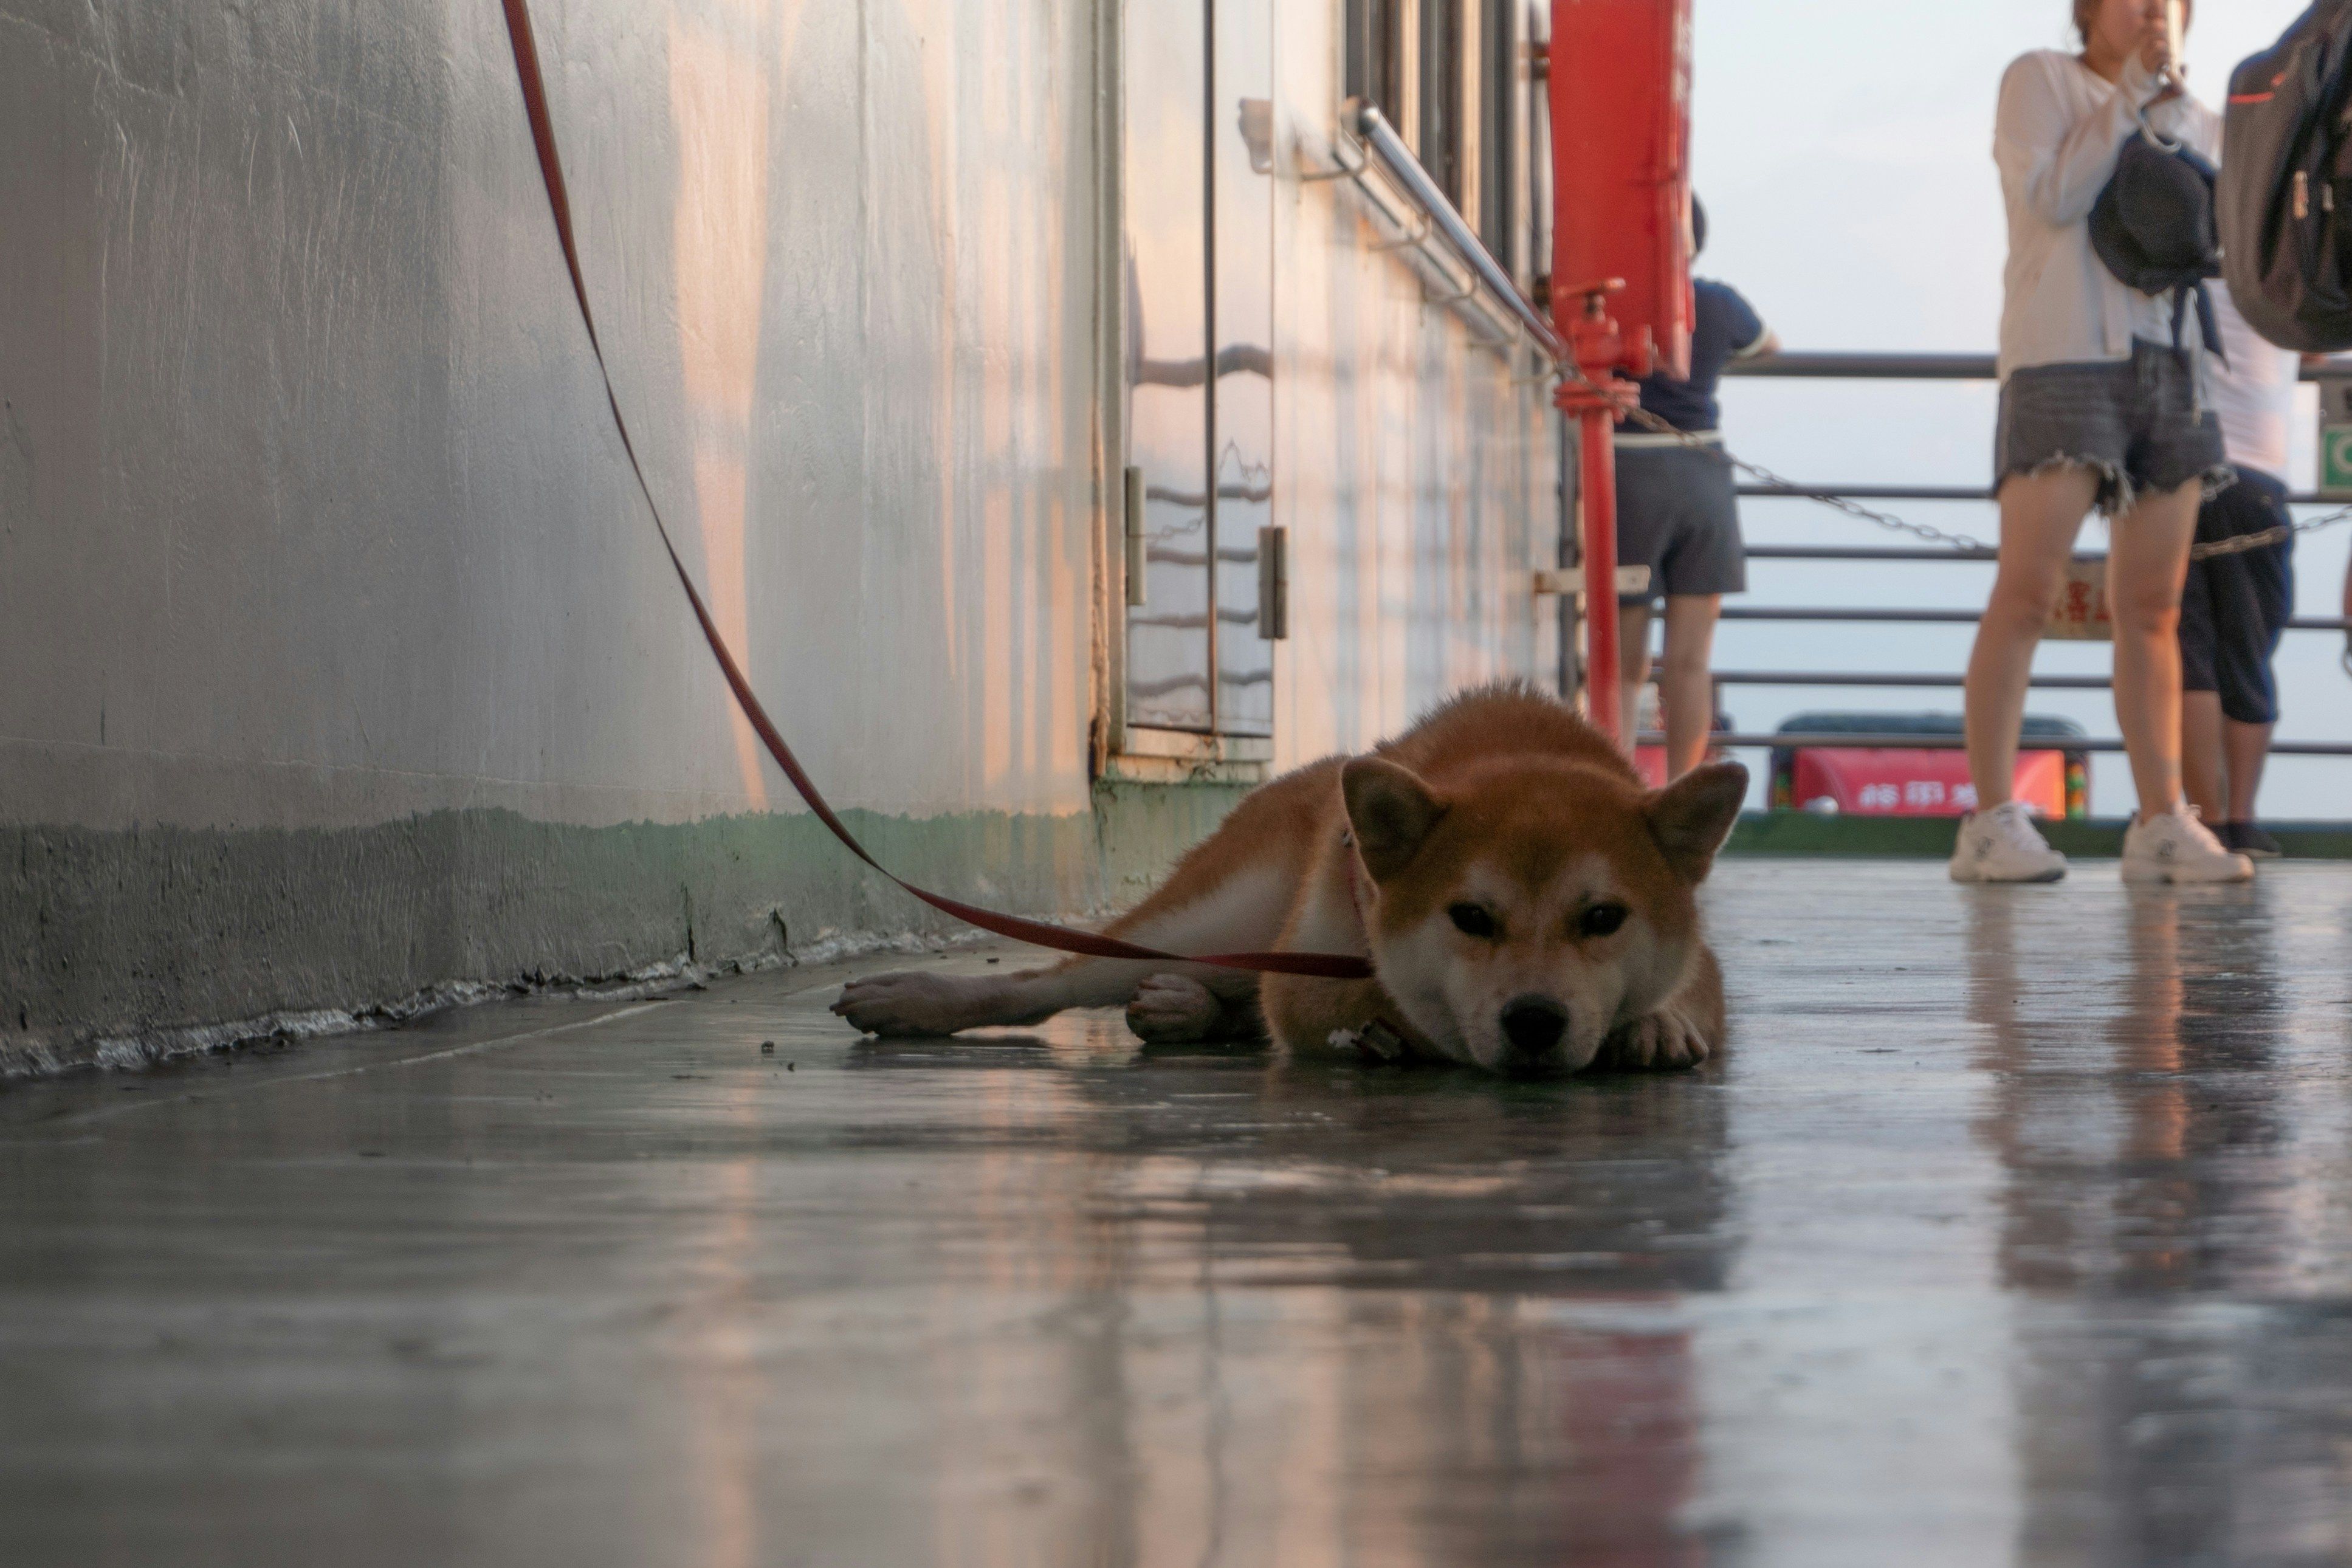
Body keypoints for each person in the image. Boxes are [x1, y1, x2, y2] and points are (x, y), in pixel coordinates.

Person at [1950, 0, 2252, 884]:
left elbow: (2218, 241)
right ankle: (1989, 818)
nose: (2150, 11)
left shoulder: (2195, 117)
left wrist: (2163, 102)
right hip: (2063, 356)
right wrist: (2124, 96)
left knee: (2154, 606)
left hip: (2172, 362)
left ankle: (2161, 819)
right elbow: (2051, 197)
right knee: (2028, 590)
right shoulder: (2039, 81)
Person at [1614, 198, 1778, 780]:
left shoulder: (1613, 301)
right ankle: (1684, 789)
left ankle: (1616, 780)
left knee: (1623, 661)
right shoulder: (1718, 302)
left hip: (1628, 476)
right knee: (1690, 662)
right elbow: (1768, 344)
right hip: (1702, 475)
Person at [2178, 291, 2299, 859]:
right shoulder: (2279, 266)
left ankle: (2207, 822)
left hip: (2178, 468)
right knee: (2248, 652)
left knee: (2189, 654)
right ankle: (2243, 820)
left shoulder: (2181, 245)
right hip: (2256, 478)